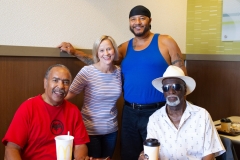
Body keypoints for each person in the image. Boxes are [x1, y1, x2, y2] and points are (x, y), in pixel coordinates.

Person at [57, 5, 187, 159]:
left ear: (150, 20)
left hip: (158, 112)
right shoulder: (126, 47)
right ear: (129, 22)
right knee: (129, 155)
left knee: (157, 155)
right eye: (133, 19)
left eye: (142, 18)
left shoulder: (166, 41)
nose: (137, 22)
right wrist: (74, 52)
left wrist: (179, 110)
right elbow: (103, 60)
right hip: (129, 113)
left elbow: (182, 75)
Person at [2, 64, 90, 160]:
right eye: (55, 80)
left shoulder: (74, 111)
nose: (61, 86)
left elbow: (80, 145)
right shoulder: (28, 108)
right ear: (45, 83)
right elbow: (11, 148)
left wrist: (80, 157)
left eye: (65, 82)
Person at [138, 65, 225, 160]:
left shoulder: (202, 115)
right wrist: (144, 155)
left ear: (185, 90)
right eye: (166, 88)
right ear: (163, 92)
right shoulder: (154, 119)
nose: (171, 91)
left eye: (176, 86)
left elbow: (209, 154)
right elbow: (152, 151)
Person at [65, 35, 122, 158]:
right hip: (90, 130)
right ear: (97, 53)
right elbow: (68, 95)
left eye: (109, 49)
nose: (106, 53)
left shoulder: (118, 72)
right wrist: (42, 102)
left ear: (114, 51)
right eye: (101, 50)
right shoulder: (87, 72)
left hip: (112, 130)